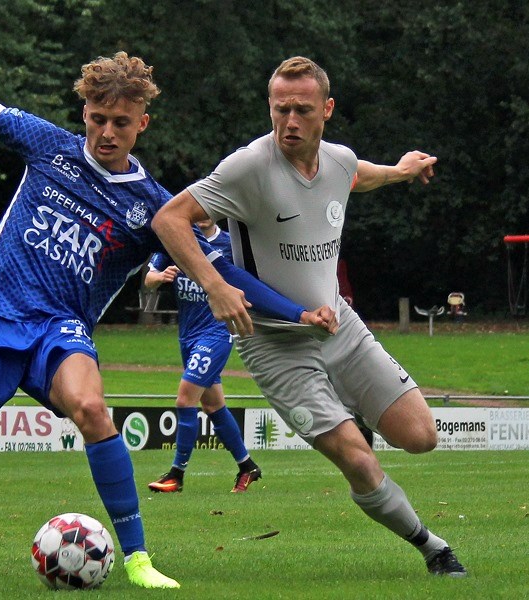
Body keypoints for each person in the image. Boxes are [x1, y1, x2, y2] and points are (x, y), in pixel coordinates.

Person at [0, 9, 334, 589]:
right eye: (98, 119)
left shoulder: (150, 207)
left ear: (142, 125)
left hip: (61, 328)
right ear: (84, 114)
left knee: (90, 409)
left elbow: (224, 270)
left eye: (121, 123)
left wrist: (297, 311)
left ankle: (136, 558)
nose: (107, 133)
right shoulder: (46, 146)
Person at [151, 56, 467, 577]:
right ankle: (433, 548)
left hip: (338, 325)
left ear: (328, 110)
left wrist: (401, 171)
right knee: (359, 460)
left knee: (420, 437)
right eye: (280, 109)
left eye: (302, 110)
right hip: (276, 345)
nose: (289, 121)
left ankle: (348, 404)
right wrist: (215, 286)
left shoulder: (338, 160)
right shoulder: (248, 167)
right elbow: (170, 218)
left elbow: (357, 176)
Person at [145, 218, 261, 494]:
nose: (203, 213)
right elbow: (148, 279)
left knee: (185, 399)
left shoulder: (229, 246)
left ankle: (177, 474)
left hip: (216, 335)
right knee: (213, 406)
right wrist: (160, 278)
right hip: (188, 336)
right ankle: (247, 466)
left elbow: (251, 283)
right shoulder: (178, 240)